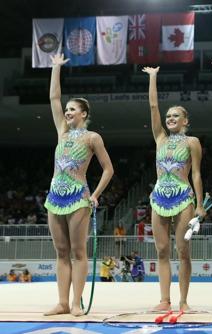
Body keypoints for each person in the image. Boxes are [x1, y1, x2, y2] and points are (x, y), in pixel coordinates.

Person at [43, 54, 114, 316]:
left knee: (78, 251)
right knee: (61, 251)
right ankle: (62, 302)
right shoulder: (62, 131)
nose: (68, 112)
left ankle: (76, 302)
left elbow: (108, 169)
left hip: (78, 196)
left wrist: (95, 194)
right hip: (55, 196)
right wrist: (55, 68)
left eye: (73, 109)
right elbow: (53, 98)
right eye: (67, 109)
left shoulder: (93, 137)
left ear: (84, 114)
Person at [143, 66, 206, 312]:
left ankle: (183, 300)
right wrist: (153, 78)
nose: (170, 119)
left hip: (183, 197)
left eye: (175, 116)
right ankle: (164, 299)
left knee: (183, 250)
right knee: (161, 250)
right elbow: (153, 108)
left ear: (185, 121)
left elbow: (197, 173)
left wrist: (200, 204)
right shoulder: (160, 138)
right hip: (159, 198)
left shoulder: (192, 142)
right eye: (168, 116)